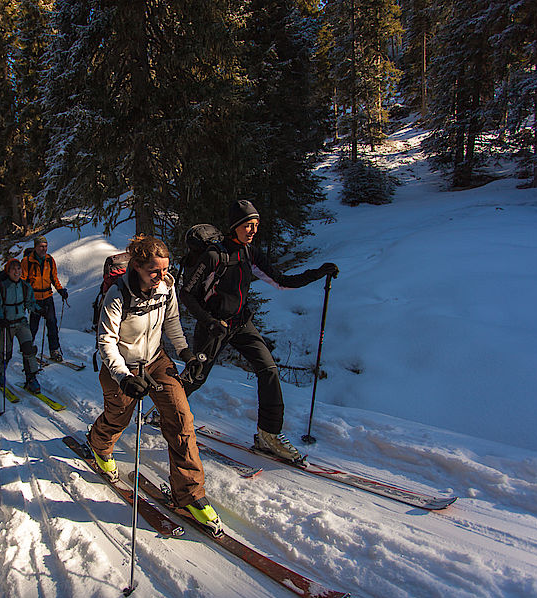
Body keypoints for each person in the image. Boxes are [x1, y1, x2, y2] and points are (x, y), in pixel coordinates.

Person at [179, 200, 339, 463]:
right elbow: (187, 294)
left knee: (269, 370)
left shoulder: (250, 253)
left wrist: (318, 273)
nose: (252, 230)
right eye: (247, 225)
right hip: (214, 327)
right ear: (234, 227)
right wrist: (209, 321)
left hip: (241, 323)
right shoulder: (214, 256)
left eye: (255, 225)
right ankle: (166, 409)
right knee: (196, 377)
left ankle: (269, 435)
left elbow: (281, 281)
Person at [87, 235, 221, 536]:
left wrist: (185, 352)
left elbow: (171, 322)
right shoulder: (118, 296)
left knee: (180, 418)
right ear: (136, 266)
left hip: (156, 361)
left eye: (165, 269)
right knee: (118, 416)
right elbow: (106, 342)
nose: (161, 276)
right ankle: (98, 444)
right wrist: (124, 377)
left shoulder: (166, 287)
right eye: (154, 271)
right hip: (121, 364)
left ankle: (189, 495)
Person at [0, 258, 42, 393]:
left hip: (21, 323)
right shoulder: (1, 288)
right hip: (5, 325)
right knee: (6, 353)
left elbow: (30, 303)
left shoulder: (25, 287)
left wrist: (38, 309)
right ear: (8, 271)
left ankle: (31, 378)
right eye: (13, 269)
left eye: (18, 269)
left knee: (28, 350)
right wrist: (0, 319)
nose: (16, 271)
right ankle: (0, 372)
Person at [21, 235, 69, 361]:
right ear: (35, 247)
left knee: (52, 324)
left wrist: (60, 290)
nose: (44, 249)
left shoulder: (49, 260)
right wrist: (25, 298)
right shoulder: (27, 261)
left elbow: (54, 278)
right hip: (34, 299)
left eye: (45, 246)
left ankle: (54, 350)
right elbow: (23, 281)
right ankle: (28, 348)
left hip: (48, 297)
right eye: (41, 246)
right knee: (33, 326)